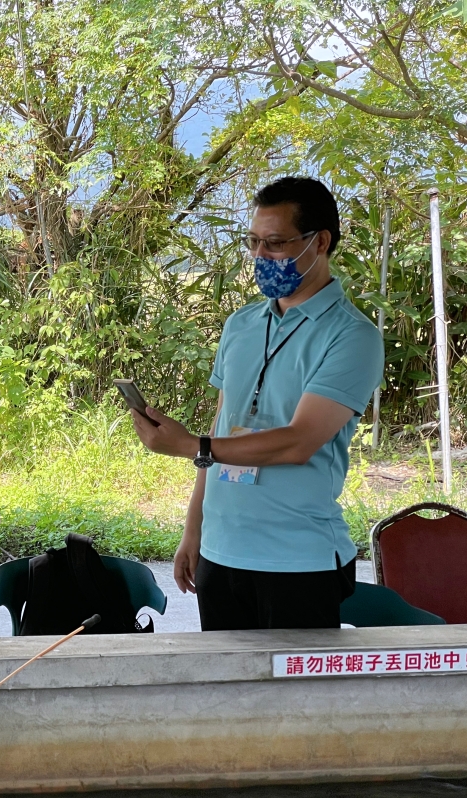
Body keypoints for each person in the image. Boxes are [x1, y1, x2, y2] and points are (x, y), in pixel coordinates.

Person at [129, 177, 384, 630]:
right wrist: (195, 528)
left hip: (298, 561)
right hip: (221, 552)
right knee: (226, 698)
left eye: (275, 243)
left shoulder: (352, 335)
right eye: (253, 242)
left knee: (294, 701)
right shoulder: (241, 324)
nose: (260, 256)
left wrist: (192, 446)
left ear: (320, 242)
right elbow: (223, 427)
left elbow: (298, 442)